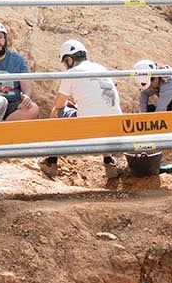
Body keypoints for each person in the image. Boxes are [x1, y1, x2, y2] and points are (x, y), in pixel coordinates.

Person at [41, 39, 123, 183]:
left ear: (70, 59)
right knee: (100, 112)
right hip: (114, 127)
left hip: (88, 129)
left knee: (56, 113)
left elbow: (59, 105)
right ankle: (109, 161)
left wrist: (62, 108)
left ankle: (51, 161)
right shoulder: (101, 68)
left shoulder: (71, 73)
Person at [0, 20, 41, 122]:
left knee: (33, 109)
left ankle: (2, 125)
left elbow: (27, 86)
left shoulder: (17, 60)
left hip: (14, 106)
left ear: (5, 39)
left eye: (0, 37)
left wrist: (26, 97)